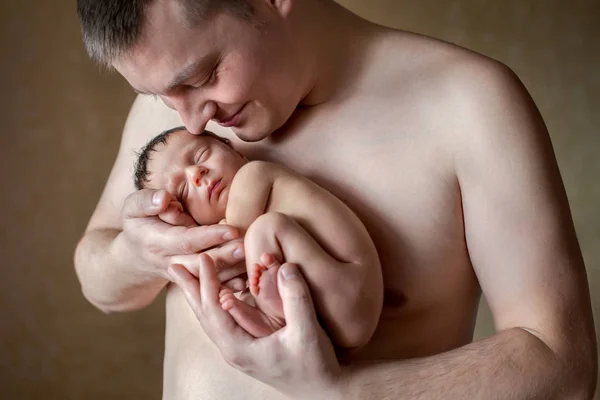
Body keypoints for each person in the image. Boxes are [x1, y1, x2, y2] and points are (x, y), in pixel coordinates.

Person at [74, 0, 597, 399]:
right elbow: (100, 281)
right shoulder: (177, 123)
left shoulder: (468, 106)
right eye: (164, 95)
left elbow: (563, 366)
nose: (189, 120)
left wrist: (341, 393)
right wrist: (137, 255)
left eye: (204, 75)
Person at [133, 126, 382, 344]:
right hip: (329, 318)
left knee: (266, 227)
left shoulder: (254, 175)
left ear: (233, 149)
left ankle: (273, 319)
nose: (196, 174)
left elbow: (232, 238)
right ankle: (273, 318)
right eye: (183, 190)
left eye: (201, 155)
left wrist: (189, 228)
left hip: (350, 286)